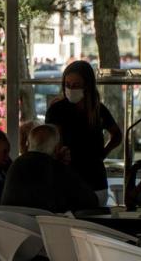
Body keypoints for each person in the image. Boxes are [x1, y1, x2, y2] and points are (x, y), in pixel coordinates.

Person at [45, 60, 123, 204]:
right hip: (68, 177)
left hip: (95, 178)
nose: (71, 89)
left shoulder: (98, 109)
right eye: (67, 85)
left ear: (87, 86)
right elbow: (54, 140)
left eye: (76, 85)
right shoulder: (58, 109)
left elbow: (117, 135)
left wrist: (103, 154)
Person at [1, 124, 97, 213]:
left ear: (29, 144)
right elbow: (92, 201)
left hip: (11, 226)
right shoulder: (56, 168)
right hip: (43, 228)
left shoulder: (16, 165)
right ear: (56, 148)